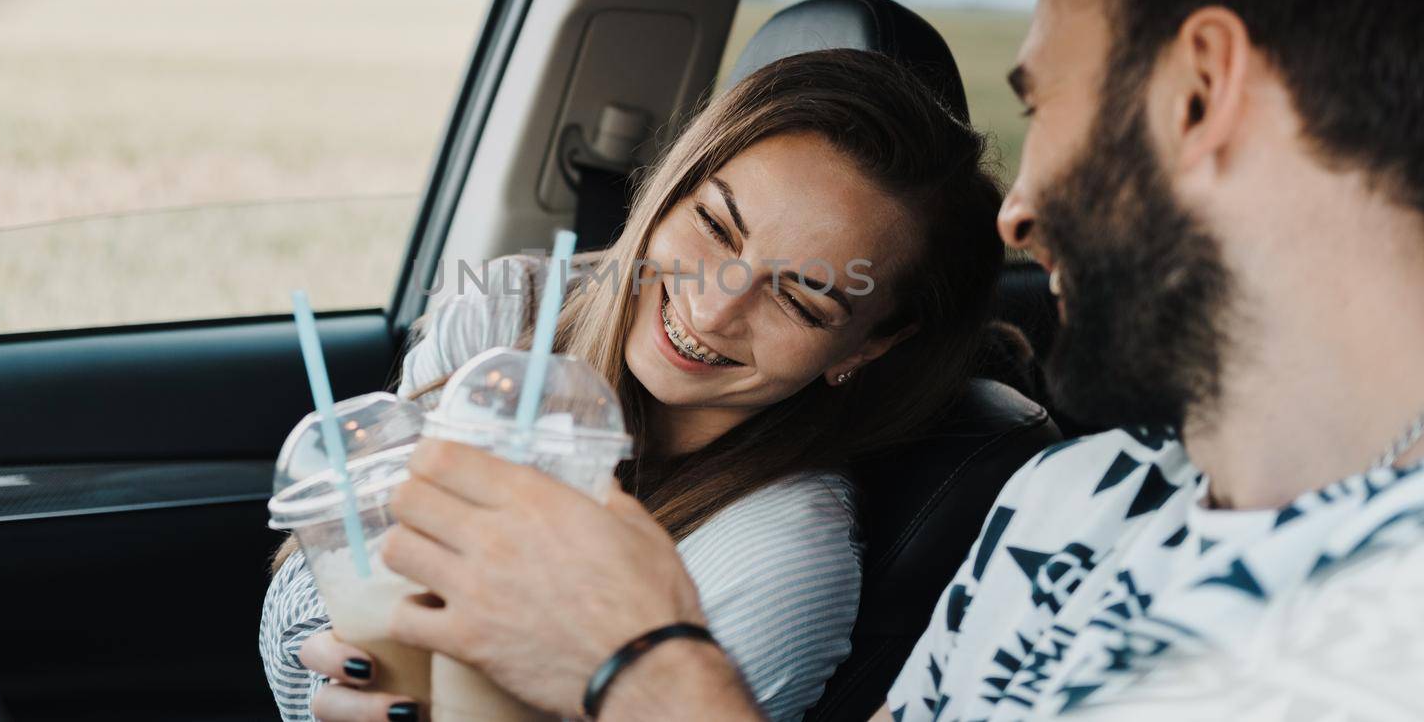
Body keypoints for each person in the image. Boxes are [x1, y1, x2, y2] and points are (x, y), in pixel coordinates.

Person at [299, 0, 1424, 721]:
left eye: (1039, 104)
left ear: (1199, 91)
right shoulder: (1075, 499)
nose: (1019, 209)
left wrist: (643, 663)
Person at [259, 47, 1010, 721]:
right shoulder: (502, 311)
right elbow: (321, 575)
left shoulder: (779, 559)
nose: (714, 308)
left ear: (871, 345)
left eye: (800, 298)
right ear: (667, 190)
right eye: (716, 228)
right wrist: (337, 659)